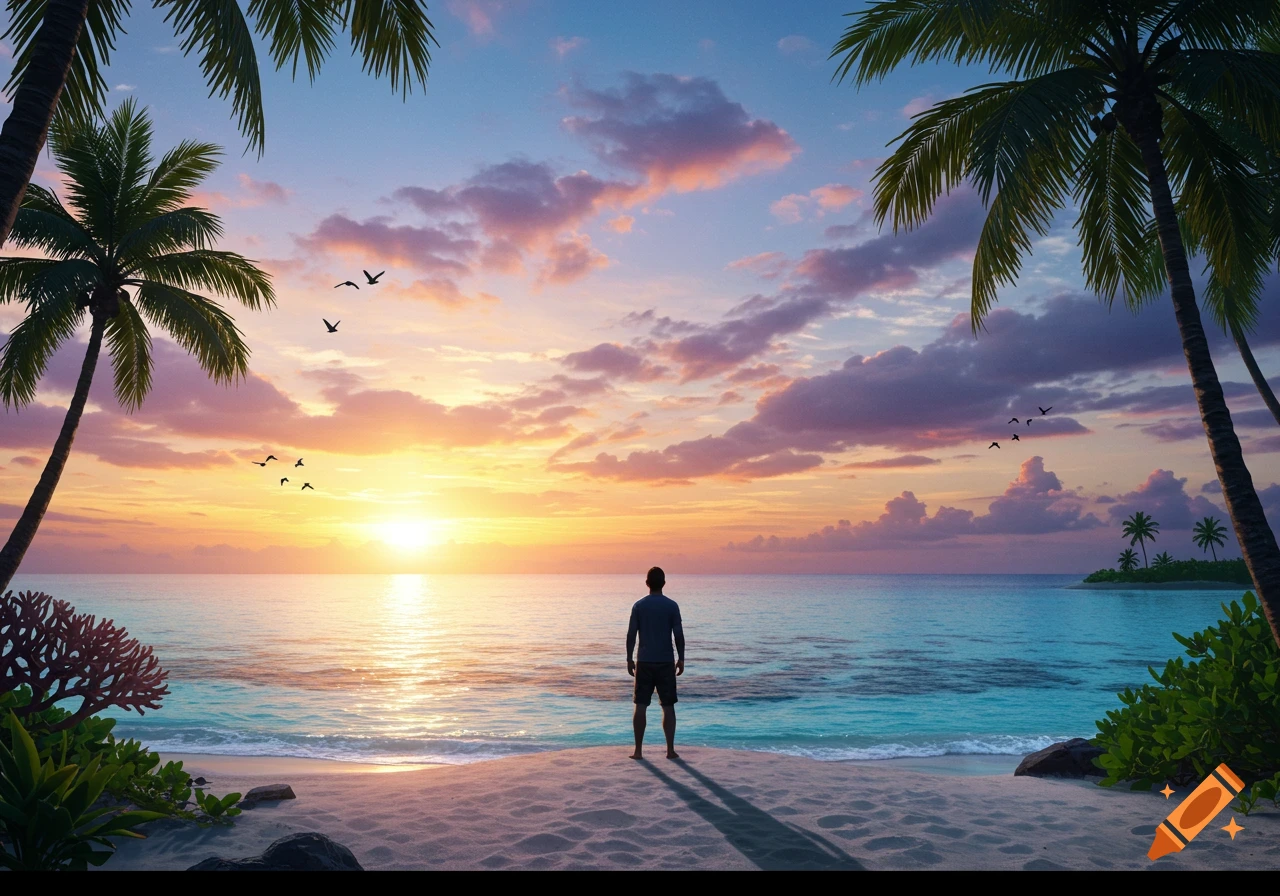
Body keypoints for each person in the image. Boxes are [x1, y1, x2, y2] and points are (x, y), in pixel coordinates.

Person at [626, 566, 685, 760]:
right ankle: (669, 750)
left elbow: (631, 635)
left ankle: (638, 751)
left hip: (644, 661)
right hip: (666, 662)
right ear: (664, 583)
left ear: (647, 583)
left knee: (640, 705)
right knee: (668, 706)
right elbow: (678, 635)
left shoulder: (639, 606)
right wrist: (681, 658)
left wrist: (629, 658)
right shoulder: (672, 606)